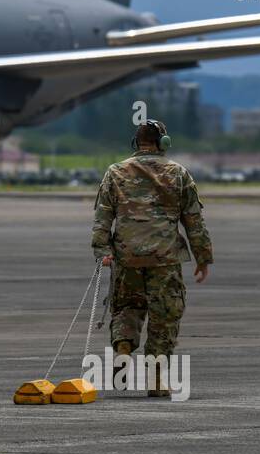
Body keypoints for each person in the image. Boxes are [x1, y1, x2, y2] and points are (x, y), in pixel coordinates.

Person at [91, 119, 213, 396]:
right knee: (164, 316)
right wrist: (203, 257)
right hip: (164, 258)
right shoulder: (178, 173)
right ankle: (156, 379)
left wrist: (103, 251)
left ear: (136, 143)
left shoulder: (115, 172)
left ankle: (123, 349)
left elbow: (102, 216)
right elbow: (193, 220)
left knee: (126, 307)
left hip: (126, 256)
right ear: (163, 144)